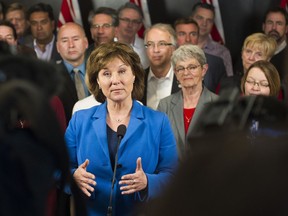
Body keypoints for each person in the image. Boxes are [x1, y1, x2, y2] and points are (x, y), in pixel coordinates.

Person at [65, 42, 178, 216]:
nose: (115, 80)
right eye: (106, 73)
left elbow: (173, 176)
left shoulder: (158, 122)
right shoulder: (80, 120)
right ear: (97, 80)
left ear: (134, 75)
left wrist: (148, 182)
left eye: (122, 71)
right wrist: (72, 177)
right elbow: (57, 168)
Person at [157, 44, 218, 159]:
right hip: (172, 174)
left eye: (192, 67)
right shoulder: (164, 105)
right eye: (180, 68)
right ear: (175, 73)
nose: (186, 73)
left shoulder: (218, 104)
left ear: (204, 70)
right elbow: (159, 146)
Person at [174, 17, 227, 93]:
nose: (188, 39)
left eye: (193, 34)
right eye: (182, 34)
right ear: (175, 37)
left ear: (198, 37)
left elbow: (223, 95)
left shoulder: (216, 63)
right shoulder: (166, 64)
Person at [190, 2, 233, 77]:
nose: (204, 23)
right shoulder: (176, 46)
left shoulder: (222, 52)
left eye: (209, 20)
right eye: (200, 18)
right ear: (191, 19)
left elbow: (228, 83)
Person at [143, 23, 178, 109]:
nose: (156, 50)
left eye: (162, 44)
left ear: (173, 48)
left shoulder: (184, 79)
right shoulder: (136, 80)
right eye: (150, 44)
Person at [262, 6, 288, 100]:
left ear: (286, 29)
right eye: (270, 23)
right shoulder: (250, 53)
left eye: (279, 23)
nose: (274, 28)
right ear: (263, 26)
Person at [117, 2, 149, 69]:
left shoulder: (147, 47)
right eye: (126, 20)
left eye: (134, 21)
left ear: (140, 26)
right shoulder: (106, 45)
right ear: (117, 21)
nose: (130, 25)